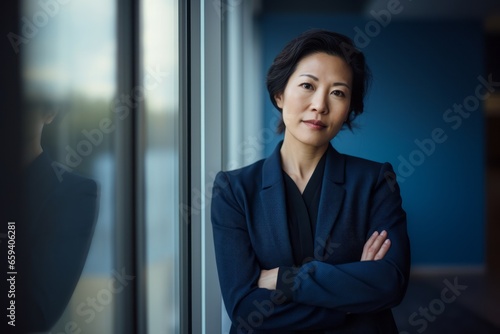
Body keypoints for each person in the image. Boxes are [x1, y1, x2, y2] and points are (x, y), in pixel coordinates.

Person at [211, 29, 410, 333]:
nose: (320, 105)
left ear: (348, 111)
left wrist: (284, 279)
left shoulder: (375, 181)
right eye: (307, 85)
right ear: (279, 94)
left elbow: (390, 283)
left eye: (338, 92)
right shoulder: (234, 190)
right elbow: (244, 310)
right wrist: (350, 303)